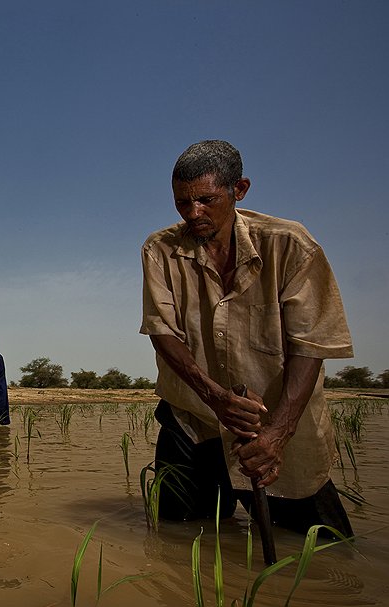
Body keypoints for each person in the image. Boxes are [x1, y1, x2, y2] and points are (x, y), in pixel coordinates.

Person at [140, 139, 354, 537]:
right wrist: (214, 396)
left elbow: (311, 346)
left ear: (239, 190)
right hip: (194, 417)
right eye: (182, 203)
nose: (193, 213)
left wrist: (278, 433)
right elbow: (162, 331)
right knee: (176, 535)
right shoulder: (160, 249)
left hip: (272, 422)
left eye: (205, 199)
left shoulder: (290, 245)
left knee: (324, 550)